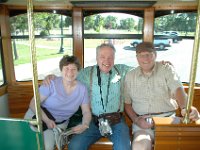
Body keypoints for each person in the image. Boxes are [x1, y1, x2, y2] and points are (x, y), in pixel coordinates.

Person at [43, 43, 132, 150]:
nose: (107, 61)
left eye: (110, 57)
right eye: (102, 57)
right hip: (93, 121)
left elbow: (142, 69)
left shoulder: (122, 70)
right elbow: (69, 76)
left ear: (114, 58)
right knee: (74, 146)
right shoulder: (87, 73)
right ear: (96, 58)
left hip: (117, 121)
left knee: (123, 148)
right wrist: (52, 77)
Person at [124, 42, 200, 150]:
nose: (145, 58)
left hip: (168, 120)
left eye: (149, 54)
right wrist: (136, 120)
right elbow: (127, 104)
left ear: (155, 55)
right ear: (137, 58)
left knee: (189, 140)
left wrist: (185, 108)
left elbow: (177, 89)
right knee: (139, 146)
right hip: (143, 123)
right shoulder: (130, 76)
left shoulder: (166, 69)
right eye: (141, 55)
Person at [24, 55, 91, 150]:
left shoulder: (82, 89)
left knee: (48, 147)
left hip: (58, 124)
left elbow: (86, 112)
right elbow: (33, 103)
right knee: (32, 144)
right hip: (38, 116)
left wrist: (85, 124)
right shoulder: (51, 83)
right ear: (61, 69)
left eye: (74, 69)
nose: (70, 72)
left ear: (78, 71)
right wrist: (47, 120)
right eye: (66, 68)